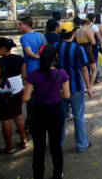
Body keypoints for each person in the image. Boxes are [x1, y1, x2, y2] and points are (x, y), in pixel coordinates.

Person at [23, 45, 70, 179]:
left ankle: (38, 175)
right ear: (55, 57)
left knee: (39, 146)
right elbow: (66, 95)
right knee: (55, 145)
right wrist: (57, 92)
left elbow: (25, 98)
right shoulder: (61, 73)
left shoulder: (33, 75)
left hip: (39, 111)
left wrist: (35, 91)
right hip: (55, 110)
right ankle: (58, 173)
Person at [55, 22, 92, 152]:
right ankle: (82, 144)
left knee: (60, 116)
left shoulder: (55, 46)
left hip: (59, 88)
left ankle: (57, 144)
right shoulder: (78, 49)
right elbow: (84, 70)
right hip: (75, 86)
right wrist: (89, 87)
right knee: (78, 116)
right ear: (73, 33)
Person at [0, 37, 27, 154]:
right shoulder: (19, 59)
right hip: (17, 90)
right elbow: (24, 75)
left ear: (2, 49)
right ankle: (23, 141)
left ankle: (9, 146)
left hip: (4, 94)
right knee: (18, 115)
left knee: (5, 119)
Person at [18, 16, 46, 133]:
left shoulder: (24, 38)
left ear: (26, 25)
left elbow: (28, 52)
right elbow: (45, 49)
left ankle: (30, 121)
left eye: (20, 24)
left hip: (31, 69)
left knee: (30, 96)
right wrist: (42, 58)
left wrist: (36, 57)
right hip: (43, 67)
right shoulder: (41, 35)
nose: (19, 27)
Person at [76, 19, 97, 86]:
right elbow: (93, 42)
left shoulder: (77, 31)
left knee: (83, 70)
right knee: (94, 70)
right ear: (87, 24)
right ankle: (90, 86)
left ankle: (84, 87)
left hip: (80, 50)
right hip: (88, 50)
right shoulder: (88, 31)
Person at [87, 13, 102, 83]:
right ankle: (96, 77)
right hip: (94, 45)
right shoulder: (94, 26)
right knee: (95, 61)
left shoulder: (85, 26)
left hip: (87, 46)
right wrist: (101, 44)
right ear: (93, 19)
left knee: (88, 62)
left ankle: (89, 77)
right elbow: (98, 37)